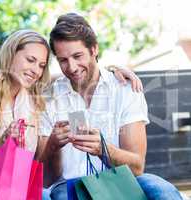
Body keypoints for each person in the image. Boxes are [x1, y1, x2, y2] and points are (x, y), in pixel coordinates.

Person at [38, 13, 182, 200]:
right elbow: (48, 179)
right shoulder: (49, 98)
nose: (72, 67)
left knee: (163, 190)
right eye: (63, 60)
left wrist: (103, 149)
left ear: (94, 49)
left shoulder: (125, 88)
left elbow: (137, 166)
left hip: (120, 180)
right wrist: (52, 146)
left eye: (77, 56)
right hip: (69, 186)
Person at [0, 30, 142, 176]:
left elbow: (78, 72)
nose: (35, 71)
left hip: (25, 190)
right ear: (10, 54)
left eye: (41, 65)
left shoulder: (34, 94)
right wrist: (3, 142)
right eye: (30, 60)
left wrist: (114, 70)